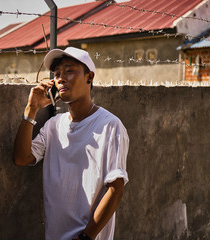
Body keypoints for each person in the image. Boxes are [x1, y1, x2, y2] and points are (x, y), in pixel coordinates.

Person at [13, 47, 129, 240]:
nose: (61, 78)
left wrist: (86, 237)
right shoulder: (53, 126)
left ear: (89, 77)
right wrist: (31, 109)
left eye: (69, 71)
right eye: (56, 74)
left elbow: (115, 188)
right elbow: (21, 158)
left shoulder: (110, 125)